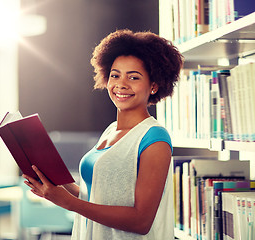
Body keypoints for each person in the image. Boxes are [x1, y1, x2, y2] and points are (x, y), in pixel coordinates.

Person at [23, 29, 183, 239]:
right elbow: (94, 198)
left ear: (153, 86)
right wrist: (56, 185)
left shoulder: (154, 139)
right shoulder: (110, 131)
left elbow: (141, 221)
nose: (121, 84)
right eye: (115, 75)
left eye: (133, 77)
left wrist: (69, 203)